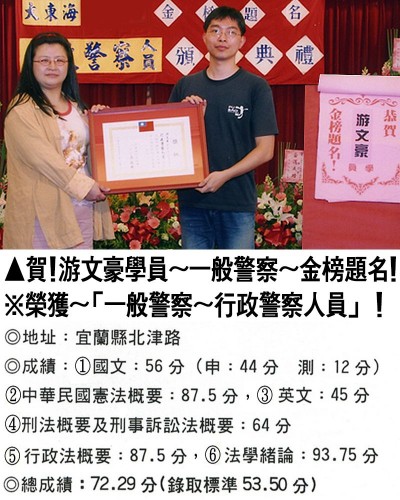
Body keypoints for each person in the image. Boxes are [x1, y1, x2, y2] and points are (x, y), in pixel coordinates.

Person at [169, 6, 278, 249]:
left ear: (242, 41)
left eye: (231, 32)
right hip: (193, 202)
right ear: (204, 37)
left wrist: (225, 175)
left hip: (236, 203)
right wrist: (189, 119)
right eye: (215, 30)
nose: (222, 38)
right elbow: (168, 145)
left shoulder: (256, 87)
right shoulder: (185, 86)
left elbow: (266, 150)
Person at [3, 32, 114, 249]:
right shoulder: (21, 110)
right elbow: (45, 160)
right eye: (44, 60)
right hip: (42, 213)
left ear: (69, 66)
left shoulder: (76, 107)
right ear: (31, 66)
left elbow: (89, 153)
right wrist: (86, 187)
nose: (52, 66)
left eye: (60, 60)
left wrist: (101, 123)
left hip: (81, 207)